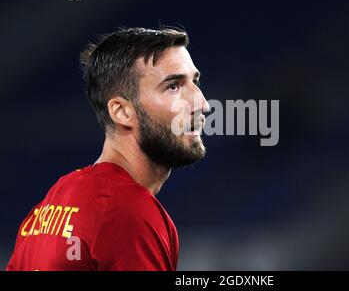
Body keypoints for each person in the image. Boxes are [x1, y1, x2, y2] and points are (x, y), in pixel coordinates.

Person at [6, 27, 209, 270]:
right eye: (173, 86)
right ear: (122, 112)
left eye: (195, 82)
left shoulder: (50, 206)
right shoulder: (129, 213)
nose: (202, 103)